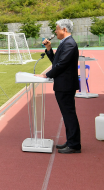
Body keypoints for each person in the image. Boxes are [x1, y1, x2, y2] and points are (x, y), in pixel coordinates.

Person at [38, 19, 81, 154]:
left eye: (57, 29)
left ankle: (74, 144)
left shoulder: (70, 44)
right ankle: (70, 141)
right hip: (63, 84)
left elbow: (61, 65)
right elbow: (56, 61)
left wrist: (47, 74)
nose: (55, 31)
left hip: (66, 85)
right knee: (67, 114)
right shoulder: (65, 43)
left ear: (64, 30)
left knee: (69, 114)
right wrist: (49, 49)